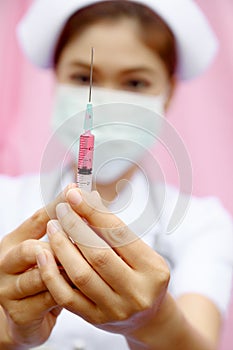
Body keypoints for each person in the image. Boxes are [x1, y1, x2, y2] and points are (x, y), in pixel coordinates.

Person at [0, 0, 233, 349]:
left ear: (168, 92)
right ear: (56, 80)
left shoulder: (201, 223)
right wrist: (11, 332)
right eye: (83, 77)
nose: (108, 103)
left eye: (135, 83)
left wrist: (155, 321)